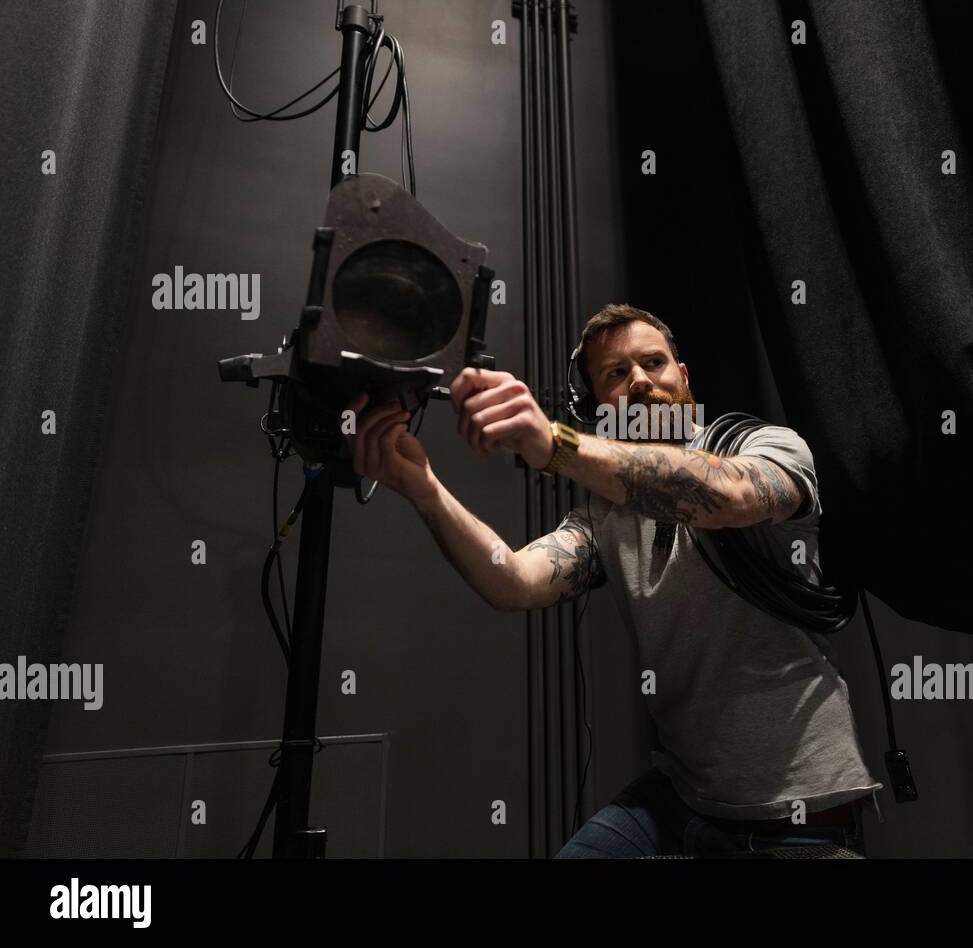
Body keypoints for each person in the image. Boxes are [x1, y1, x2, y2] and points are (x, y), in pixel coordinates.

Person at [345, 303, 882, 857]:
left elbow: (729, 496)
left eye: (653, 362)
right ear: (600, 404)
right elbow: (516, 581)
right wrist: (424, 490)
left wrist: (557, 445)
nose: (641, 382)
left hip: (794, 809)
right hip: (682, 794)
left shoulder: (767, 446)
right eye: (616, 374)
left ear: (684, 375)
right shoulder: (606, 512)